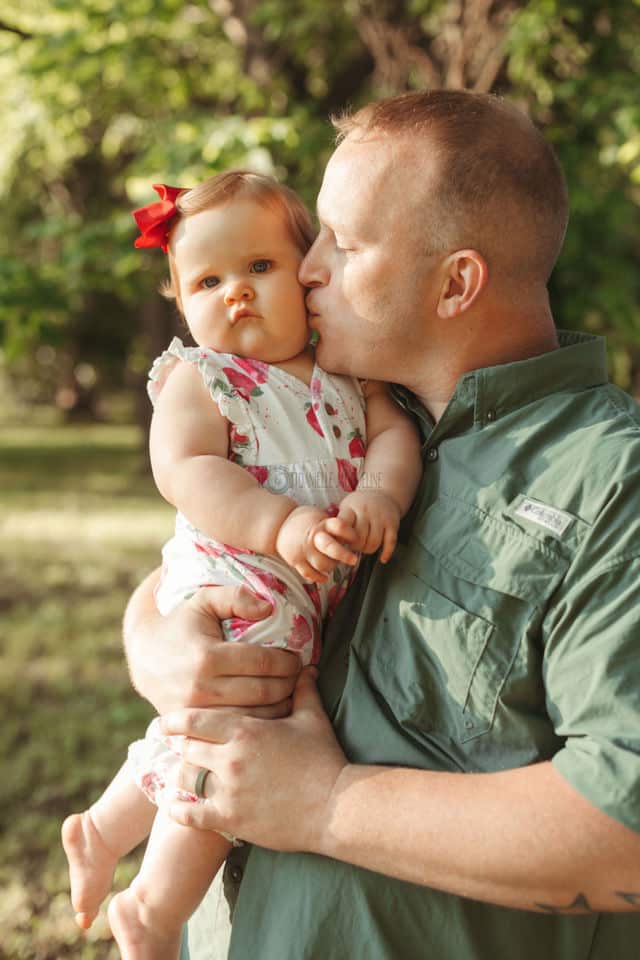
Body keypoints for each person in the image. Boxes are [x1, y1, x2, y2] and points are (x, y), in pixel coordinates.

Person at [124, 90, 640, 960]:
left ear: (456, 282)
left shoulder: (609, 479)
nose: (305, 268)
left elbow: (625, 826)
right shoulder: (330, 419)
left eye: (344, 243)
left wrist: (327, 804)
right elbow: (209, 549)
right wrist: (157, 639)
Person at [61, 171, 422, 960]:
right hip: (238, 574)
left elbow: (394, 439)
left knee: (214, 722)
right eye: (208, 280)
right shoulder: (203, 377)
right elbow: (188, 471)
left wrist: (380, 498)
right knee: (241, 734)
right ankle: (154, 909)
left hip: (302, 584)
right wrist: (280, 523)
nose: (236, 294)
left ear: (309, 269)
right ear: (179, 299)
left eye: (260, 268)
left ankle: (102, 828)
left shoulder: (350, 371)